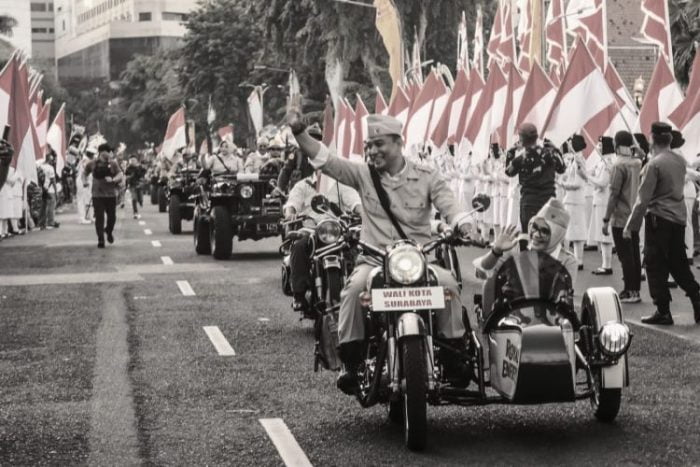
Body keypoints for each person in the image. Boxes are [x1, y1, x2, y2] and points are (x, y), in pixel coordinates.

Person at [288, 110, 475, 394]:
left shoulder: (427, 176)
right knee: (352, 291)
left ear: (399, 144)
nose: (372, 151)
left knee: (448, 284)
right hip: (374, 259)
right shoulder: (364, 175)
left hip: (420, 259)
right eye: (369, 146)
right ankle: (351, 362)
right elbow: (326, 161)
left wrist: (463, 223)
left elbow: (450, 204)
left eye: (379, 145)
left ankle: (453, 356)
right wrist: (299, 133)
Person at [624, 122, 700, 324]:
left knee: (655, 264)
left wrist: (631, 226)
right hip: (678, 219)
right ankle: (697, 298)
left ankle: (663, 310)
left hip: (658, 219)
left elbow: (643, 199)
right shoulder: (679, 160)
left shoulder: (654, 165)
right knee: (679, 264)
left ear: (652, 139)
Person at [473, 198, 577, 323]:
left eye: (544, 231)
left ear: (557, 235)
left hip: (548, 319)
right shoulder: (517, 245)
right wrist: (496, 251)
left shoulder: (567, 260)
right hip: (512, 316)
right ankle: (486, 321)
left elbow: (561, 299)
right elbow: (481, 272)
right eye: (535, 227)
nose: (536, 235)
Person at [283, 170, 362, 315]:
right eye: (319, 166)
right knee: (299, 246)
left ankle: (360, 289)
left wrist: (361, 212)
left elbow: (355, 202)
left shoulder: (341, 184)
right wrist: (290, 213)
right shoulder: (303, 186)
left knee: (357, 249)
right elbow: (292, 204)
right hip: (311, 229)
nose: (322, 169)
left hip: (337, 231)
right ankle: (298, 295)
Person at [505, 123, 566, 250]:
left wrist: (511, 152)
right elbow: (562, 168)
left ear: (521, 139)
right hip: (548, 201)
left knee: (528, 235)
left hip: (529, 202)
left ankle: (527, 265)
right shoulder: (549, 154)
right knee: (547, 235)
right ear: (536, 137)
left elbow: (508, 172)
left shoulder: (520, 158)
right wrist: (556, 149)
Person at [603, 131, 642, 303]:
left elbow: (613, 195)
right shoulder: (637, 162)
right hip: (634, 213)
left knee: (625, 255)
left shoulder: (618, 165)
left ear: (616, 145)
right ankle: (635, 290)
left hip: (620, 215)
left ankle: (630, 290)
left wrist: (605, 219)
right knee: (634, 252)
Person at [84, 143, 123, 248]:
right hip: (97, 195)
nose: (110, 153)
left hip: (110, 195)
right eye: (108, 151)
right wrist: (85, 182)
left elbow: (120, 174)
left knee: (112, 218)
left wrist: (113, 179)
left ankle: (108, 231)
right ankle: (101, 239)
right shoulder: (92, 163)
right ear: (102, 152)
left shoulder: (113, 163)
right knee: (99, 218)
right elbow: (85, 173)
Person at [584, 137, 614, 274]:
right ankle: (604, 264)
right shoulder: (601, 163)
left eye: (601, 145)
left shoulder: (608, 163)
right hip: (600, 200)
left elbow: (602, 182)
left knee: (605, 235)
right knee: (601, 236)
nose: (598, 148)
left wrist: (589, 178)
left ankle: (607, 265)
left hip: (604, 200)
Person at [561, 151, 588, 269]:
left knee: (577, 231)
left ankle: (579, 260)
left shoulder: (579, 160)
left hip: (575, 199)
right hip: (571, 199)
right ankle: (571, 259)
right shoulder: (574, 159)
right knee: (570, 231)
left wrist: (564, 184)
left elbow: (578, 183)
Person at [39, 151, 59, 229]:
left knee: (43, 206)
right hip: (50, 189)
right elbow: (53, 180)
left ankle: (42, 223)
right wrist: (56, 191)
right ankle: (51, 222)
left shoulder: (40, 166)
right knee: (51, 206)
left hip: (42, 189)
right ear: (49, 160)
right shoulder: (50, 168)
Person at [77, 147, 94, 224]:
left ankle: (89, 216)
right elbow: (85, 172)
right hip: (82, 181)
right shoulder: (85, 161)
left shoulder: (86, 160)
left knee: (88, 199)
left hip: (86, 181)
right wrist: (85, 182)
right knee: (82, 200)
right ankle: (82, 218)